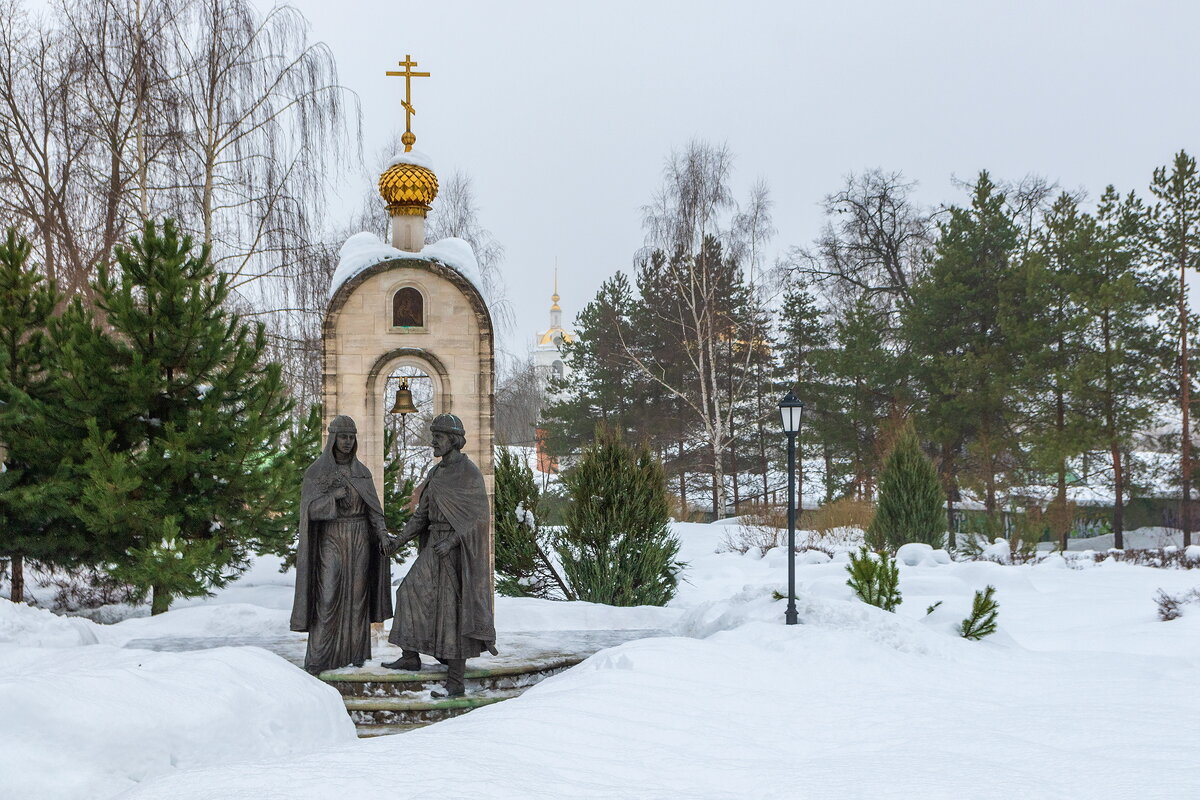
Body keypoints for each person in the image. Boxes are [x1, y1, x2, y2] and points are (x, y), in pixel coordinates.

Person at [384, 413, 497, 696]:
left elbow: (479, 518)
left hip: (456, 551)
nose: (434, 441)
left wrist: (453, 542)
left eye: (439, 436)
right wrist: (398, 541)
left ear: (454, 440)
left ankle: (455, 683)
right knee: (408, 591)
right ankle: (410, 656)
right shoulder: (435, 473)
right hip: (435, 543)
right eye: (433, 435)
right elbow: (421, 515)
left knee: (453, 611)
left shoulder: (468, 472)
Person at [291, 415, 395, 674]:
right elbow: (309, 511)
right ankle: (320, 655)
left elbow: (374, 510)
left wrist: (382, 534)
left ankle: (355, 654)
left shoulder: (362, 473)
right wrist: (332, 498)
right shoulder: (317, 472)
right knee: (328, 595)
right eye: (343, 437)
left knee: (358, 595)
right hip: (331, 538)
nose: (347, 442)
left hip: (360, 538)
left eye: (351, 437)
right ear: (333, 438)